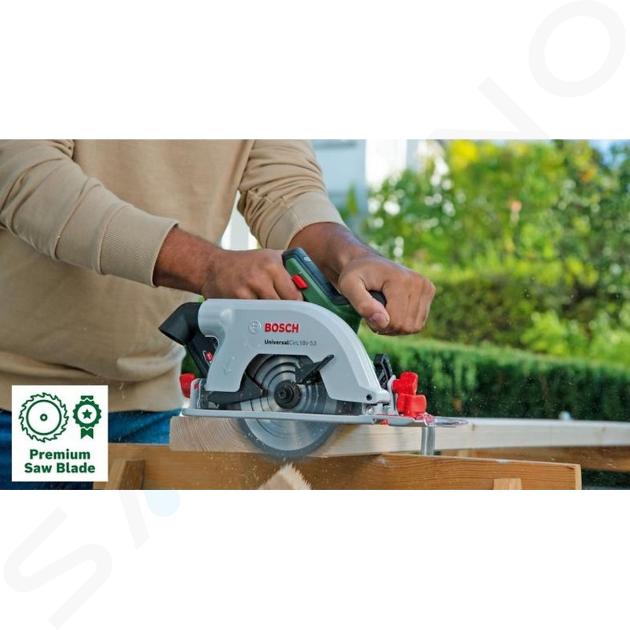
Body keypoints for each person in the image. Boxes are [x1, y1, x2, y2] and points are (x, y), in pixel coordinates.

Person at [0, 140, 435, 488]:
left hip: (150, 397)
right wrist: (209, 267)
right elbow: (28, 177)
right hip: (33, 398)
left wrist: (352, 257)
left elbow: (285, 186)